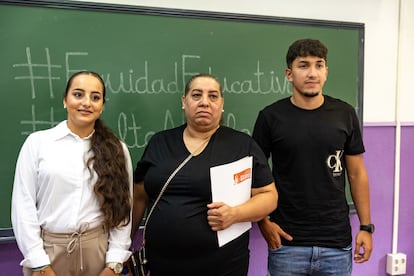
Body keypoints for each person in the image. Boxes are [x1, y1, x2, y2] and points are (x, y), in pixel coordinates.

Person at [131, 73, 278, 276]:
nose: (204, 103)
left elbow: (269, 196)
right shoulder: (160, 142)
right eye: (196, 95)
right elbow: (139, 195)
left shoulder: (241, 145)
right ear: (184, 102)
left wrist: (236, 214)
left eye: (213, 96)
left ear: (221, 104)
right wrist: (124, 244)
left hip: (223, 266)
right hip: (162, 264)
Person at [252, 38, 373, 275]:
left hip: (336, 244)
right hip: (286, 243)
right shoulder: (270, 117)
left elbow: (357, 173)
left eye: (319, 65)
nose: (312, 73)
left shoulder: (345, 114)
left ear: (326, 71)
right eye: (303, 65)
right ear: (289, 73)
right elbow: (253, 173)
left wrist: (366, 227)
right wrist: (263, 221)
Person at [11, 71, 133, 276]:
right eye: (78, 94)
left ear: (102, 106)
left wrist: (114, 263)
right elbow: (23, 207)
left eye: (95, 97)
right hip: (48, 253)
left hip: (98, 253)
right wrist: (40, 264)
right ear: (65, 100)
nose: (86, 102)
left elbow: (123, 210)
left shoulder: (117, 149)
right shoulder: (38, 143)